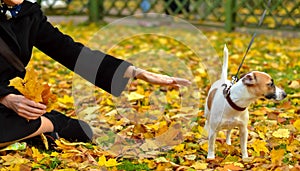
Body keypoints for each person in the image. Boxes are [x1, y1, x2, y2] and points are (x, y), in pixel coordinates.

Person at [0, 0, 191, 148]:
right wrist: (5, 98)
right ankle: (48, 125)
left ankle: (50, 124)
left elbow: (69, 51)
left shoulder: (27, 13)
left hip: (13, 99)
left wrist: (136, 72)